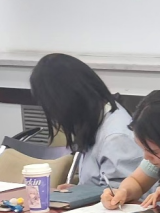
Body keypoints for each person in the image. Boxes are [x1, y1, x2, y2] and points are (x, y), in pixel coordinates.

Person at [30, 53, 143, 187]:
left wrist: (83, 194)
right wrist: (79, 191)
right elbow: (100, 186)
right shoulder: (95, 119)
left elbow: (122, 196)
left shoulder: (116, 138)